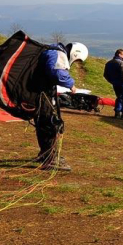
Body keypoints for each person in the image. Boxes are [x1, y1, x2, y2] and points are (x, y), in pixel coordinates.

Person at [35, 42, 86, 171]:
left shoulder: (52, 51)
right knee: (49, 124)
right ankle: (50, 159)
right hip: (42, 94)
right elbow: (56, 72)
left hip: (39, 92)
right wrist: (71, 84)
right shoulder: (58, 53)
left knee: (43, 123)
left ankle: (45, 154)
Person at [103, 49, 123, 119]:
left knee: (119, 97)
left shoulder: (109, 63)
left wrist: (112, 81)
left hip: (115, 83)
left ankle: (117, 113)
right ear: (119, 54)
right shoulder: (121, 63)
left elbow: (105, 75)